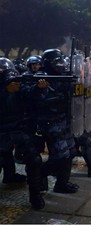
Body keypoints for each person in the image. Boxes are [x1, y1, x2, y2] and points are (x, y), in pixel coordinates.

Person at [0, 57, 46, 209]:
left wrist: (38, 88)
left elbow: (28, 93)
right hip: (2, 132)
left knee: (34, 160)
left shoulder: (18, 87)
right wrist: (5, 92)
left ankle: (35, 197)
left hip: (18, 130)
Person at [34, 49, 79, 193]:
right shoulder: (41, 77)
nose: (60, 65)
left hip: (63, 120)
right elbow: (40, 100)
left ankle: (62, 183)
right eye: (57, 62)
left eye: (61, 61)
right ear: (48, 63)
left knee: (71, 152)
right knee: (61, 156)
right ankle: (39, 174)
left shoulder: (61, 75)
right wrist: (58, 97)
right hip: (50, 122)